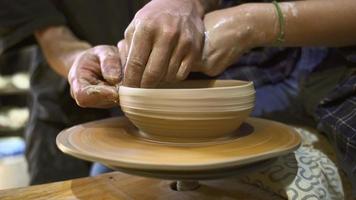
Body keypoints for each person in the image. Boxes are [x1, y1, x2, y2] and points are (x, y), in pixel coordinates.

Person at [69, 0, 356, 195]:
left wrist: (251, 23)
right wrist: (92, 59)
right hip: (217, 77)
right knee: (101, 173)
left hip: (309, 61)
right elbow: (58, 43)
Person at [0, 0, 224, 184]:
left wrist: (192, 2)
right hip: (66, 107)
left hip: (188, 111)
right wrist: (76, 58)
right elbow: (51, 33)